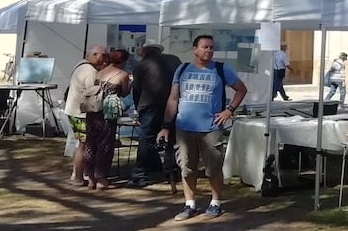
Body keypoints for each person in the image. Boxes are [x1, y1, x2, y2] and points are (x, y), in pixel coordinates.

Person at [158, 34, 248, 221]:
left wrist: (229, 110)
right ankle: (189, 204)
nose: (209, 50)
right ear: (195, 49)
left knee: (213, 168)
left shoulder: (222, 69)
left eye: (211, 47)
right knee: (187, 168)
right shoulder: (182, 69)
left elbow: (241, 89)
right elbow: (173, 99)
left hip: (211, 128)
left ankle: (215, 203)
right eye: (205, 47)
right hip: (184, 128)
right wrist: (166, 126)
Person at [131, 39, 181, 187]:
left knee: (146, 139)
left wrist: (138, 110)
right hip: (174, 104)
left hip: (151, 106)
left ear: (144, 51)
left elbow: (137, 91)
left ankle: (140, 174)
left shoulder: (141, 66)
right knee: (171, 138)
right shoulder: (174, 60)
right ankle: (171, 169)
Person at [85, 48, 132, 189]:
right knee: (105, 145)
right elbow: (124, 93)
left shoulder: (101, 71)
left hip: (93, 111)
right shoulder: (122, 74)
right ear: (123, 61)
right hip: (108, 111)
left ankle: (91, 177)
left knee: (91, 144)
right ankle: (101, 178)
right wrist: (130, 83)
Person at [64, 45, 107, 184]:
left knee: (80, 144)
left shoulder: (80, 65)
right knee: (84, 145)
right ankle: (78, 177)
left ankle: (76, 173)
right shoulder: (90, 71)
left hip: (72, 110)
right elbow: (93, 94)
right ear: (95, 55)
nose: (105, 59)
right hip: (81, 114)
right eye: (104, 56)